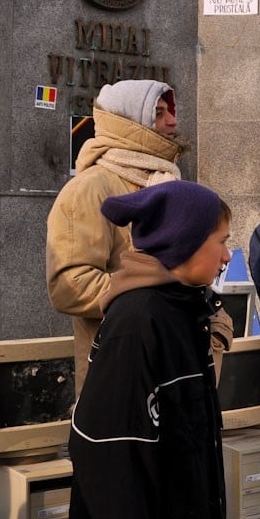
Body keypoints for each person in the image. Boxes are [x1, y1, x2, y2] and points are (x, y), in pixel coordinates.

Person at [46, 79, 233, 393]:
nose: (173, 121)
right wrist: (159, 293)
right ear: (128, 123)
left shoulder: (166, 178)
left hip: (179, 365)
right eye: (159, 113)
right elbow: (69, 286)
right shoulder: (89, 189)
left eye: (170, 112)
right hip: (123, 375)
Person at [67, 180, 231, 519]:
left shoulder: (184, 311)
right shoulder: (138, 323)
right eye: (221, 242)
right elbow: (112, 469)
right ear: (183, 243)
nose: (227, 256)